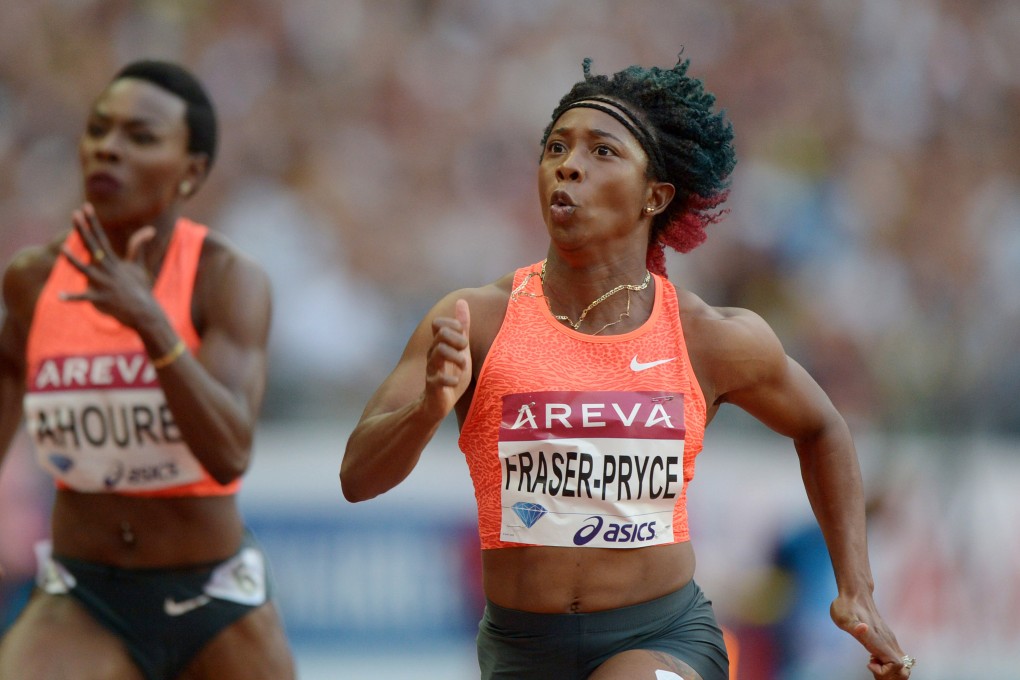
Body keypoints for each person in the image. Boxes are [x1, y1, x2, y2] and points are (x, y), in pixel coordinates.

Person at [341, 53, 914, 680]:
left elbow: (822, 426)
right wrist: (428, 410)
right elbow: (358, 478)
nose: (569, 165)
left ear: (655, 196)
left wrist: (856, 586)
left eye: (602, 151)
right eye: (556, 146)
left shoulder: (709, 337)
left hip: (662, 634)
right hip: (520, 650)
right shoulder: (473, 321)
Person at [0, 60, 295, 680]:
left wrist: (152, 323)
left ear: (190, 172)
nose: (109, 149)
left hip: (213, 596)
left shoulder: (226, 280)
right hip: (84, 597)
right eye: (99, 129)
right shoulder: (32, 281)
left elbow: (229, 452)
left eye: (140, 137)